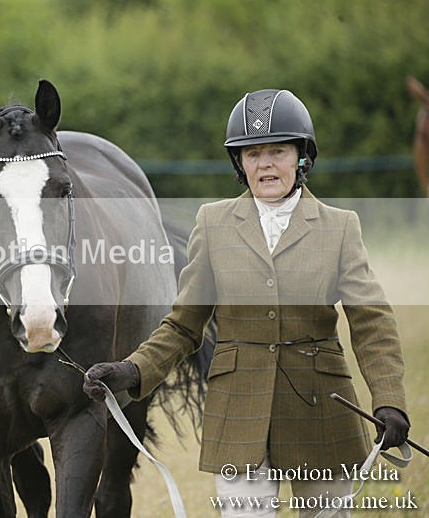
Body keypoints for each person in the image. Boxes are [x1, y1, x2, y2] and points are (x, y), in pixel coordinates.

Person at [83, 89, 410, 517]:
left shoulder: (340, 227)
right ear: (240, 163)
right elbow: (183, 325)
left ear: (301, 158)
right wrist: (132, 369)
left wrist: (389, 399)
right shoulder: (212, 223)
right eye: (253, 154)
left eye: (278, 151)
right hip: (239, 412)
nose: (266, 164)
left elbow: (371, 321)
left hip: (322, 408)